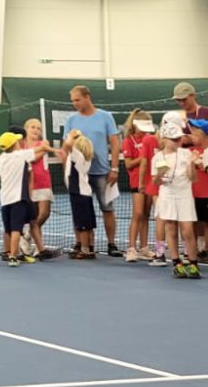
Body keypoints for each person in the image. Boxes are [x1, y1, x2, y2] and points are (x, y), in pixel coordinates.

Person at [63, 86, 123, 257]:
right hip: (79, 175)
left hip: (102, 172)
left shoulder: (105, 117)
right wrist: (67, 174)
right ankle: (82, 244)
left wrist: (114, 168)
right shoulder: (71, 120)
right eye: (73, 101)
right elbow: (66, 147)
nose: (75, 103)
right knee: (80, 210)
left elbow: (115, 143)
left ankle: (111, 244)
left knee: (107, 208)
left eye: (77, 100)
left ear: (87, 97)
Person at [151, 121, 199, 278]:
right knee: (171, 229)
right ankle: (176, 262)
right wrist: (160, 174)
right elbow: (155, 182)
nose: (178, 141)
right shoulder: (157, 158)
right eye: (174, 139)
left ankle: (193, 263)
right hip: (167, 196)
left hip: (184, 196)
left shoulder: (186, 154)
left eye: (179, 138)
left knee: (188, 231)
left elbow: (193, 179)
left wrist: (191, 164)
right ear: (165, 139)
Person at [0, 127, 48, 266]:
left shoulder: (1, 158)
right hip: (18, 199)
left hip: (6, 199)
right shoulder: (20, 156)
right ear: (14, 145)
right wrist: (47, 147)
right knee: (16, 230)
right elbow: (37, 151)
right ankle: (13, 256)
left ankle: (16, 253)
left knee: (12, 228)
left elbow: (1, 178)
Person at [22, 118, 62, 259]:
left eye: (38, 128)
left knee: (44, 213)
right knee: (33, 216)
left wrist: (44, 149)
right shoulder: (21, 146)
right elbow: (29, 159)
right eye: (32, 127)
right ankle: (40, 249)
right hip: (29, 185)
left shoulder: (44, 144)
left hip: (44, 183)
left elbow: (34, 157)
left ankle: (27, 234)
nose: (36, 130)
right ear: (26, 129)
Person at [121, 109, 158, 263]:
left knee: (146, 215)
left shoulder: (150, 138)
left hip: (150, 181)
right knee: (137, 213)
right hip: (137, 182)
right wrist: (143, 157)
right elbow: (129, 164)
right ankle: (131, 248)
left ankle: (144, 248)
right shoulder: (128, 141)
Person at [64, 131, 98, 260]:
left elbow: (67, 145)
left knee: (82, 225)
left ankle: (85, 250)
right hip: (85, 194)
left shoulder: (77, 156)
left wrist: (71, 135)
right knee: (88, 225)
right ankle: (90, 248)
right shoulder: (85, 158)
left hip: (78, 194)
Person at [188, 118, 208, 260]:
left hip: (206, 194)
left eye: (196, 133)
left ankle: (206, 249)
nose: (192, 136)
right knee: (194, 222)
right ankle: (194, 249)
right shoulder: (190, 151)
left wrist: (201, 163)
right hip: (192, 194)